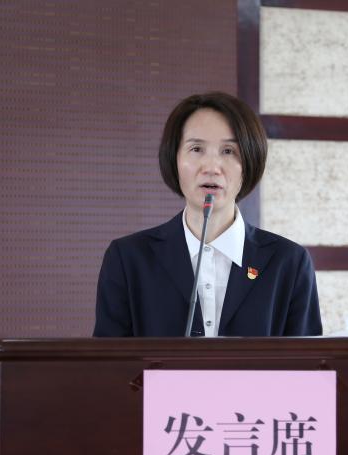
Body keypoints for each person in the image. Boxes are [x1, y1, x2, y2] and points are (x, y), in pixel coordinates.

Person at [93, 92, 322, 337]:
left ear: (250, 162)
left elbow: (307, 360)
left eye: (228, 151)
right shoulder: (128, 259)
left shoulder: (289, 263)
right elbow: (110, 360)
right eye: (196, 149)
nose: (211, 167)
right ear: (174, 158)